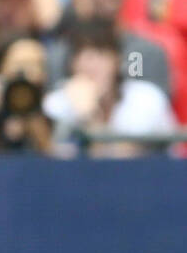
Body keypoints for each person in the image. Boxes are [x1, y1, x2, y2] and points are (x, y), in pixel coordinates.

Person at [43, 19, 175, 157]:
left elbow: (122, 165)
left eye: (100, 54)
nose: (91, 67)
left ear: (117, 61)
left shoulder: (145, 99)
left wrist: (91, 117)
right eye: (83, 56)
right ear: (72, 65)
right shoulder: (56, 104)